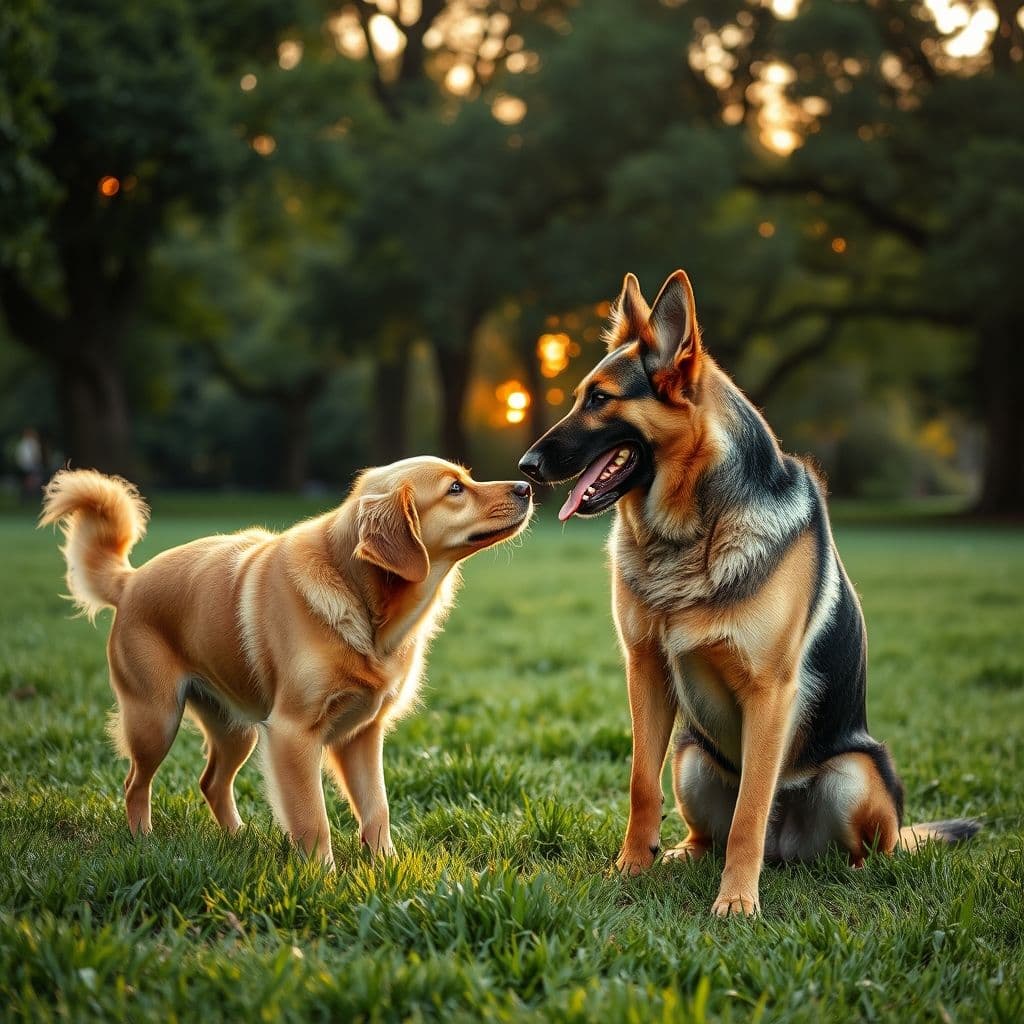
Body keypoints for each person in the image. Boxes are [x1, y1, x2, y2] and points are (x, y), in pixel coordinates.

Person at [16, 427, 45, 503]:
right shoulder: (28, 443)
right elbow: (32, 456)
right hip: (29, 466)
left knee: (30, 482)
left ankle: (29, 497)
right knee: (30, 482)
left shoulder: (25, 443)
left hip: (28, 466)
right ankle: (29, 497)